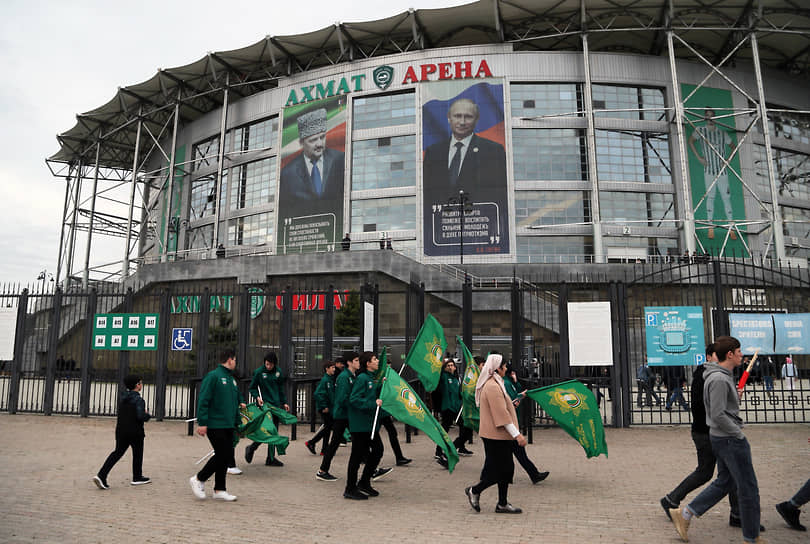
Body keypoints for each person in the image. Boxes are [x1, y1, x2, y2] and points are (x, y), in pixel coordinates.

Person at [668, 336, 764, 543]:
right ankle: (751, 536)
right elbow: (718, 414)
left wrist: (734, 397)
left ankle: (685, 514)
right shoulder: (719, 378)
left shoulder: (720, 376)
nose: (742, 355)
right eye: (739, 352)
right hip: (729, 439)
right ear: (729, 354)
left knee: (725, 482)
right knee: (748, 488)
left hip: (722, 437)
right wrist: (738, 433)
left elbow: (720, 408)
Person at [422, 97, 508, 254]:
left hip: (478, 229)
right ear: (449, 118)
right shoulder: (433, 152)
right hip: (439, 232)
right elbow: (427, 194)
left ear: (476, 119)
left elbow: (500, 194)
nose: (462, 121)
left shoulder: (493, 150)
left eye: (468, 116)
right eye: (457, 116)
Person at [464, 353, 526, 514]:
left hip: (499, 435)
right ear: (497, 368)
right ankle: (475, 490)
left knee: (505, 469)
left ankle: (502, 503)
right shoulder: (492, 386)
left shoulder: (496, 383)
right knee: (501, 470)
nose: (506, 369)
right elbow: (501, 415)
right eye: (504, 366)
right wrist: (517, 435)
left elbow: (503, 409)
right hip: (495, 436)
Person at [277, 107, 345, 246]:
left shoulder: (340, 159)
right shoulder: (287, 174)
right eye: (313, 140)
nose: (320, 144)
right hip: (301, 241)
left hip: (333, 237)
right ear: (301, 142)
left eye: (322, 137)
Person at [190, 348, 245, 502]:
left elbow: (234, 402)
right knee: (222, 454)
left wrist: (237, 424)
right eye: (235, 360)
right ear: (229, 359)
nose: (235, 363)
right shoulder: (213, 376)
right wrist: (202, 422)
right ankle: (199, 478)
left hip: (228, 425)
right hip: (215, 424)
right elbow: (204, 399)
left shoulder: (232, 379)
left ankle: (219, 489)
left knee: (225, 456)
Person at [93, 374, 151, 489]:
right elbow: (141, 416)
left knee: (117, 453)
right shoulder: (139, 400)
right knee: (137, 453)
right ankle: (137, 477)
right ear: (137, 385)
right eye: (140, 383)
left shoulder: (123, 398)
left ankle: (101, 475)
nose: (141, 384)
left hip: (121, 431)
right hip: (135, 432)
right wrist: (147, 415)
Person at [688, 108, 738, 241]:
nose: (709, 118)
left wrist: (727, 160)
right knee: (710, 197)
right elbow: (690, 141)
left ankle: (731, 227)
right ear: (705, 118)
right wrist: (699, 157)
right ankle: (710, 226)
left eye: (712, 116)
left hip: (722, 171)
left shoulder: (722, 133)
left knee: (726, 197)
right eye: (707, 116)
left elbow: (734, 147)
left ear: (714, 118)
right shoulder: (700, 130)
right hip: (709, 170)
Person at [344, 351, 385, 499]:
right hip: (360, 425)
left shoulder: (372, 378)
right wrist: (372, 404)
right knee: (356, 456)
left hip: (369, 424)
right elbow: (354, 399)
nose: (377, 361)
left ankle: (364, 482)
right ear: (367, 363)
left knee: (378, 450)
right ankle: (350, 488)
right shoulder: (362, 378)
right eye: (375, 359)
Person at [317, 351, 359, 481]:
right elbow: (342, 398)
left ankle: (323, 470)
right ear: (349, 363)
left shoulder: (352, 376)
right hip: (342, 416)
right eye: (356, 360)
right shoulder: (344, 377)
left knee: (358, 441)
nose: (358, 363)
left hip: (347, 415)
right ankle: (322, 470)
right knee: (335, 443)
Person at [504, 367, 549, 484]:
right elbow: (512, 401)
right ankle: (533, 474)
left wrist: (516, 383)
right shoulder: (505, 383)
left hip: (513, 421)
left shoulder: (510, 383)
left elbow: (516, 392)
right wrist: (519, 396)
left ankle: (529, 475)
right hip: (510, 423)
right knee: (517, 453)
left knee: (512, 454)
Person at [245, 351, 289, 467]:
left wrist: (284, 402)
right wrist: (257, 397)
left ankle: (270, 458)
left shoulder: (279, 373)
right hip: (265, 407)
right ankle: (252, 448)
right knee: (267, 431)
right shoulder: (259, 372)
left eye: (270, 364)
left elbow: (280, 389)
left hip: (276, 406)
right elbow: (252, 388)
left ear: (275, 364)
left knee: (273, 431)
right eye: (266, 364)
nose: (268, 366)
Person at [306, 360, 336, 455]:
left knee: (328, 427)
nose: (334, 369)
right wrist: (324, 406)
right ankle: (312, 442)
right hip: (325, 408)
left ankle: (324, 449)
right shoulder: (325, 380)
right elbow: (318, 394)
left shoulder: (330, 379)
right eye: (332, 367)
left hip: (329, 407)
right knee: (328, 427)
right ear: (327, 369)